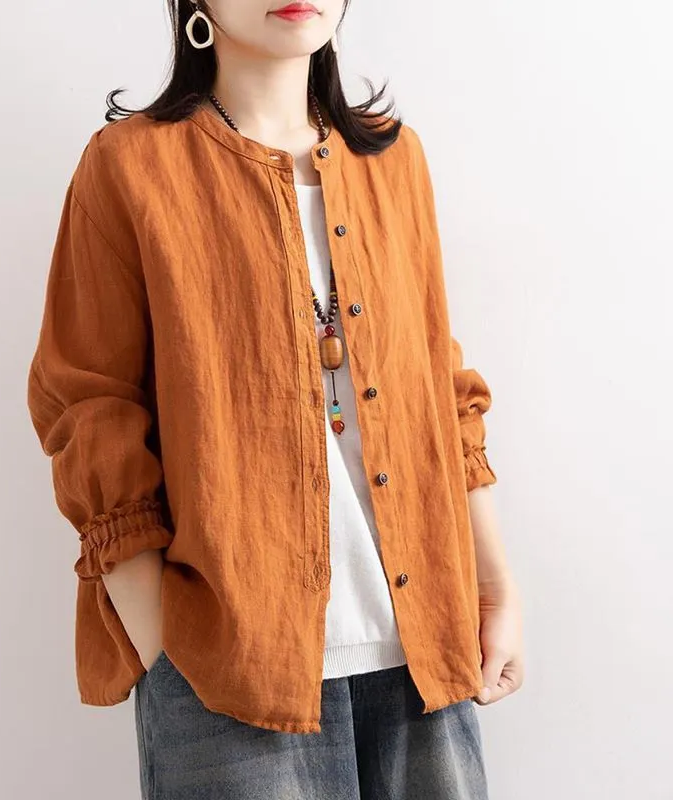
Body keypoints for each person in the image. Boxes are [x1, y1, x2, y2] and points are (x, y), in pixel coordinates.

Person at [26, 0, 524, 797]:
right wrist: (162, 637)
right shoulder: (130, 167)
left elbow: (441, 383)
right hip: (228, 666)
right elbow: (87, 403)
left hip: (426, 648)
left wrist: (493, 587)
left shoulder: (393, 160)